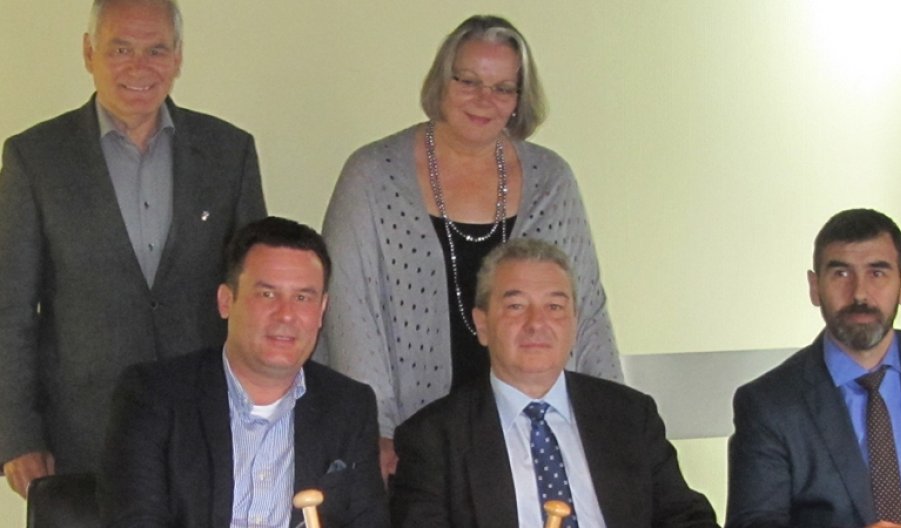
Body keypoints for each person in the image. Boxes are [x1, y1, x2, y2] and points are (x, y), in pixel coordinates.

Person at [318, 14, 623, 480]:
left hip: (528, 434)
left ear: (519, 100)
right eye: (468, 81)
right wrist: (376, 429)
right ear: (441, 82)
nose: (484, 99)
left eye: (503, 88)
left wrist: (614, 421)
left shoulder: (552, 181)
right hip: (408, 437)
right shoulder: (372, 175)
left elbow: (587, 310)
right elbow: (349, 312)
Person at [0, 0, 266, 497]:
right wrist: (16, 435)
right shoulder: (35, 159)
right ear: (89, 52)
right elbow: (10, 309)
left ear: (178, 56)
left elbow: (255, 296)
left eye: (156, 50)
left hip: (207, 429)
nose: (139, 67)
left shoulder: (229, 152)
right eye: (121, 49)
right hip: (80, 437)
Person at [391, 239, 717, 527]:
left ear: (575, 322)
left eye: (555, 307)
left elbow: (686, 518)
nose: (537, 323)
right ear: (483, 324)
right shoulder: (433, 438)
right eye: (516, 306)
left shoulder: (630, 416)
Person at [99, 217, 389, 527]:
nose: (286, 315)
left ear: (321, 311)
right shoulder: (152, 396)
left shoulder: (349, 406)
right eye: (267, 294)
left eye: (302, 298)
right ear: (226, 301)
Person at [726, 209, 901, 528]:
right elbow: (754, 523)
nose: (859, 294)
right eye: (841, 274)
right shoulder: (769, 405)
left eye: (877, 273)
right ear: (815, 287)